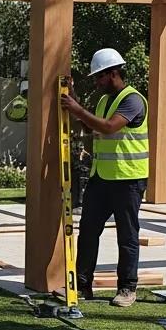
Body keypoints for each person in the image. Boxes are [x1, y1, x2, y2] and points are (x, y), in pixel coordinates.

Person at [60, 48, 149, 308]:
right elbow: (91, 126)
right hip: (101, 178)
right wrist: (75, 102)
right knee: (87, 231)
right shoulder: (103, 101)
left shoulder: (132, 100)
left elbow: (109, 128)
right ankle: (82, 285)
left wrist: (76, 108)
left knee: (127, 235)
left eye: (100, 77)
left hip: (128, 180)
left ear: (113, 73)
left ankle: (127, 288)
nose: (97, 82)